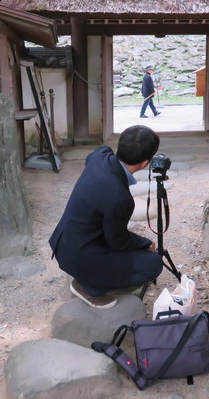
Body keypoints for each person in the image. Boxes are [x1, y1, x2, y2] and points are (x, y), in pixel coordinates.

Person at [48, 125, 164, 308]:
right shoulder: (120, 198)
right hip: (80, 257)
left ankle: (92, 276)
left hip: (63, 243)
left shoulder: (100, 155)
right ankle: (90, 286)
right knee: (153, 263)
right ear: (145, 163)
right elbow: (117, 241)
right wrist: (146, 243)